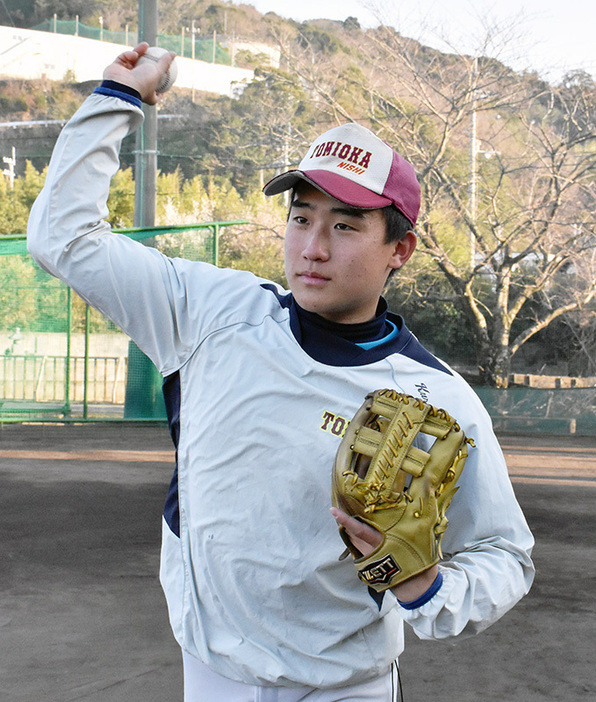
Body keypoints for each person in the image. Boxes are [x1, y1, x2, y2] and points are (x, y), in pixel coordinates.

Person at [27, 44, 534, 701]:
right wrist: (117, 99)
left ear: (400, 250)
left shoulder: (437, 401)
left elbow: (505, 555)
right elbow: (62, 237)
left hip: (345, 687)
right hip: (211, 673)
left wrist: (427, 587)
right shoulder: (208, 314)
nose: (313, 247)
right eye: (301, 218)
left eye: (346, 226)